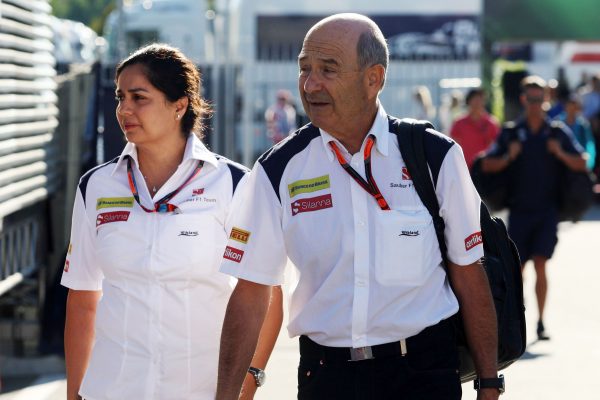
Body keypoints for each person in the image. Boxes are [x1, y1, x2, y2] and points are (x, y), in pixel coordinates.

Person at [217, 14, 502, 400]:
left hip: (423, 371)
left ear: (374, 79)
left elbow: (469, 271)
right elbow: (251, 292)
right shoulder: (278, 169)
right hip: (327, 376)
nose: (310, 83)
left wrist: (488, 382)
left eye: (327, 70)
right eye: (305, 69)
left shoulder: (434, 155)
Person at [61, 43, 282, 400]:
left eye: (139, 97)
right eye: (120, 97)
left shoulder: (234, 184)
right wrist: (75, 394)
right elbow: (82, 297)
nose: (124, 109)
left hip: (200, 391)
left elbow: (265, 295)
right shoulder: (95, 186)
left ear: (179, 105)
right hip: (111, 390)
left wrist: (247, 384)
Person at [482, 76, 587, 341]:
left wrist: (559, 153)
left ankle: (540, 322)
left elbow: (582, 163)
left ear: (546, 100)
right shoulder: (511, 132)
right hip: (519, 211)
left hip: (546, 211)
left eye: (539, 100)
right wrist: (509, 156)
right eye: (531, 99)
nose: (535, 104)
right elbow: (486, 165)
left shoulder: (556, 131)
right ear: (523, 100)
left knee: (541, 263)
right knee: (518, 270)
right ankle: (516, 321)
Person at [449, 88, 500, 169]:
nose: (478, 103)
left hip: (484, 171)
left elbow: (494, 149)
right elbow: (453, 148)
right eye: (475, 100)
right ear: (468, 101)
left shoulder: (491, 123)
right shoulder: (458, 123)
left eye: (480, 100)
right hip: (463, 169)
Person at [557, 93, 596, 171]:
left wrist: (588, 163)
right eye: (570, 104)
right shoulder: (558, 123)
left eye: (574, 105)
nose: (572, 108)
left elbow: (590, 145)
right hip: (560, 165)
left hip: (578, 164)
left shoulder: (583, 125)